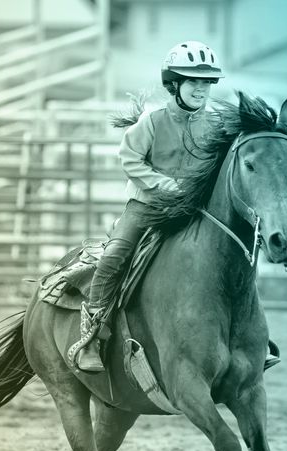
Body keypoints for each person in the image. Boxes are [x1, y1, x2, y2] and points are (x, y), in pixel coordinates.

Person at [77, 41, 224, 372]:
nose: (201, 89)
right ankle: (92, 336)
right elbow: (129, 158)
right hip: (147, 206)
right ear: (175, 84)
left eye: (206, 83)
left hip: (195, 210)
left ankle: (244, 334)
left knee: (232, 252)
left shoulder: (216, 123)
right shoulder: (153, 120)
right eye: (193, 81)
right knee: (115, 255)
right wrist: (164, 184)